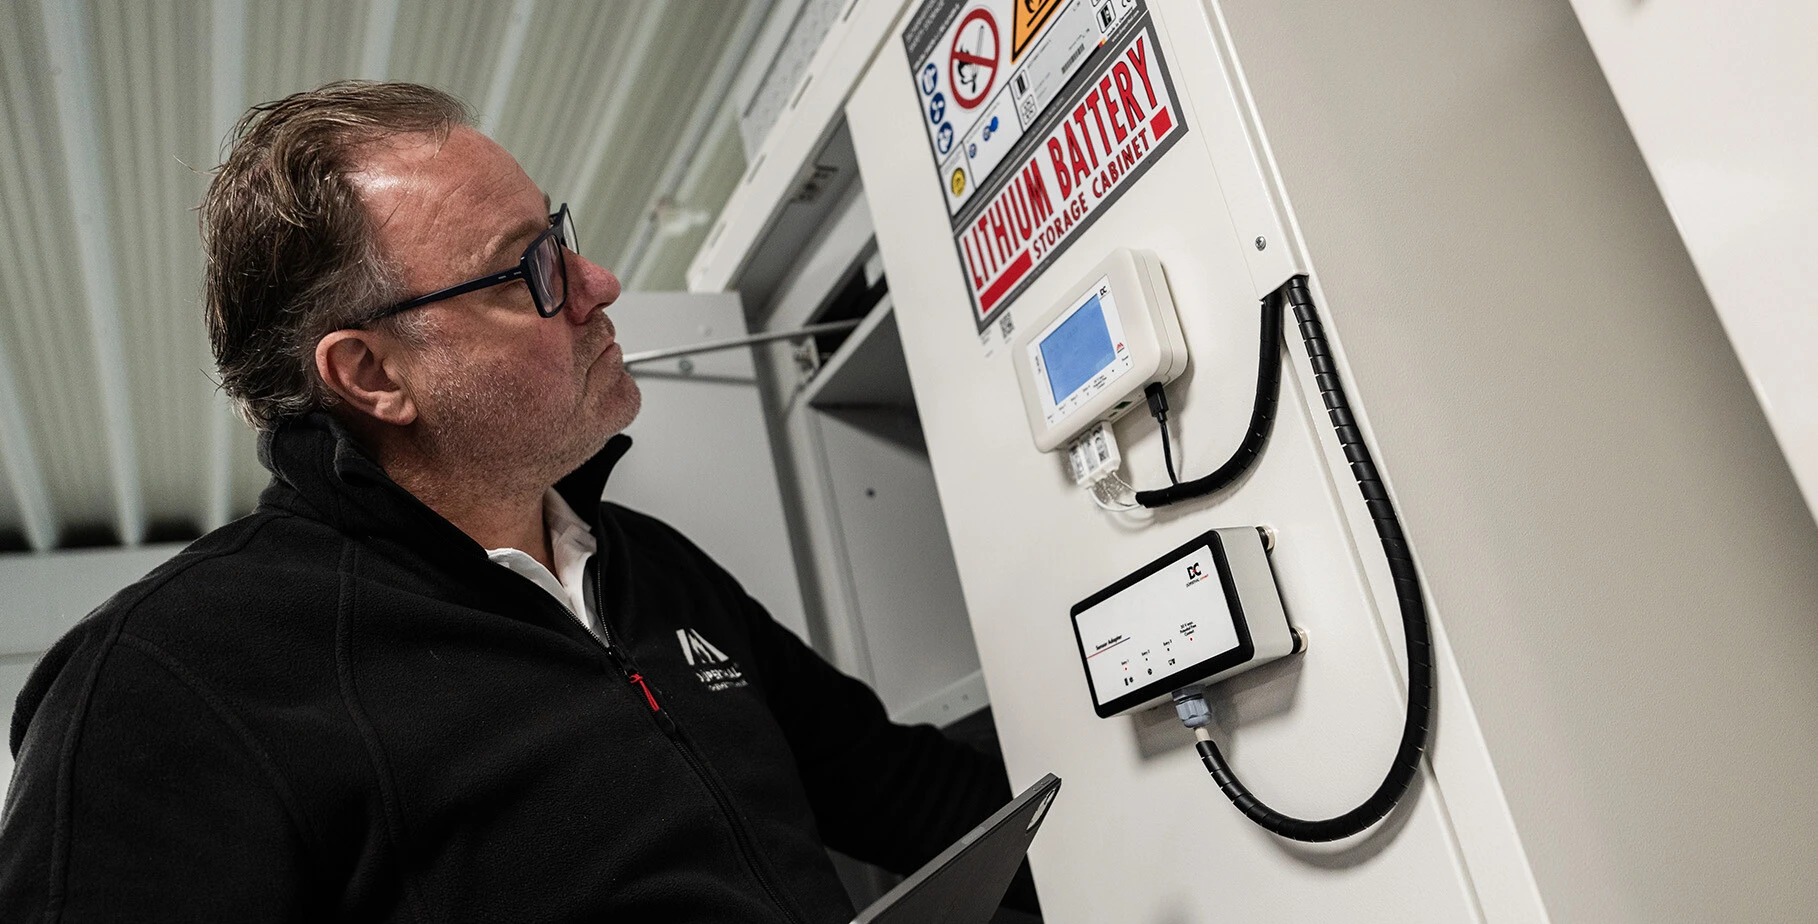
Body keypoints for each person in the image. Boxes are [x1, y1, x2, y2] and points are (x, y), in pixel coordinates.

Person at [0, 81, 1027, 922]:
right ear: (371, 375)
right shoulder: (168, 679)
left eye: (559, 236)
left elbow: (917, 800)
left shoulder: (645, 566)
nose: (600, 283)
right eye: (523, 270)